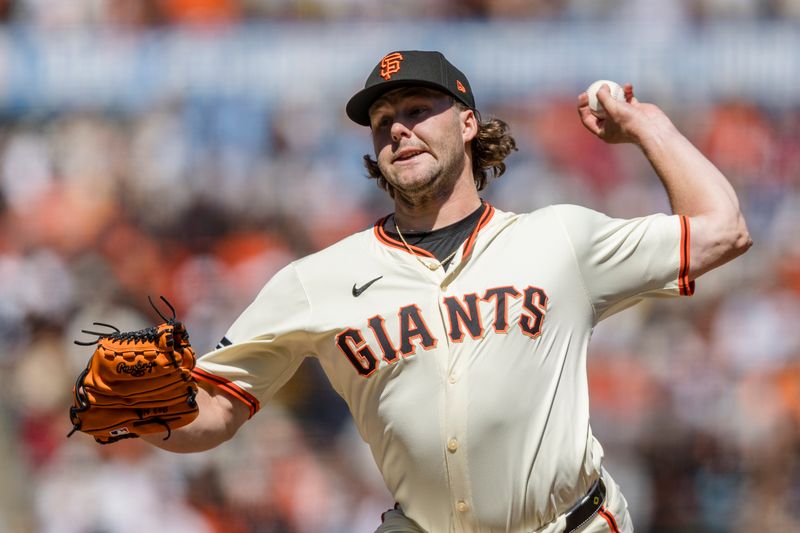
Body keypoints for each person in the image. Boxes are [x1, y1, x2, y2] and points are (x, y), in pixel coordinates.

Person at [142, 50, 752, 532]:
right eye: (383, 122)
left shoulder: (559, 239)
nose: (398, 130)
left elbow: (722, 231)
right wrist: (133, 407)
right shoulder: (316, 280)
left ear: (467, 124)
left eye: (416, 110)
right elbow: (215, 412)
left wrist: (648, 126)